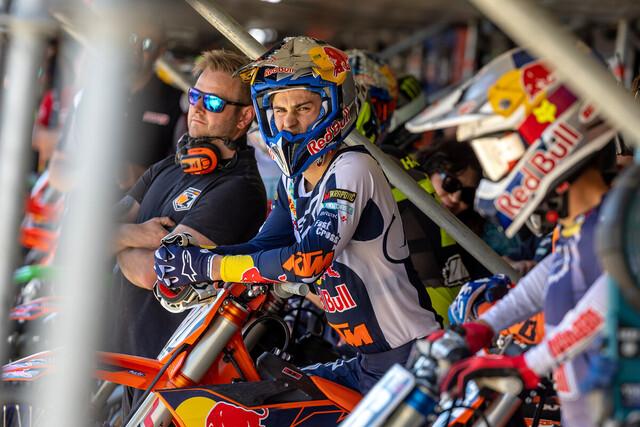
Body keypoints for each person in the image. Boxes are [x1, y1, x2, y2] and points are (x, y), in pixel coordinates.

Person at [154, 36, 441, 394]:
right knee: (260, 401)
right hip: (367, 362)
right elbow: (263, 246)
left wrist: (209, 265)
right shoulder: (292, 180)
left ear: (333, 108)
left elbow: (308, 261)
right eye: (279, 109)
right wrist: (193, 260)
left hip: (412, 361)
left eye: (303, 107)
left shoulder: (353, 167)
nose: (288, 122)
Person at [416, 48, 617, 427]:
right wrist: (486, 325)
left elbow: (609, 298)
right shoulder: (586, 225)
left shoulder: (623, 219)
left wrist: (527, 365)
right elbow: (554, 273)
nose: (493, 170)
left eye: (497, 152)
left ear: (551, 142)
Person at [111, 49, 266, 361]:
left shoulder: (239, 189)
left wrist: (113, 240)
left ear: (244, 117)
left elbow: (154, 272)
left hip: (165, 368)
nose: (198, 108)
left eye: (214, 103)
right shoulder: (167, 167)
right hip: (118, 354)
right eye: (195, 96)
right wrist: (136, 235)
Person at [49, 23, 183, 193]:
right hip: (84, 207)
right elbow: (56, 173)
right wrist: (91, 177)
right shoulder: (93, 94)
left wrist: (136, 175)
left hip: (139, 208)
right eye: (132, 38)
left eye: (148, 44)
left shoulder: (177, 102)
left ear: (161, 51)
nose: (136, 49)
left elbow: (181, 179)